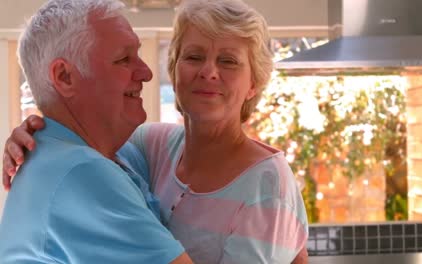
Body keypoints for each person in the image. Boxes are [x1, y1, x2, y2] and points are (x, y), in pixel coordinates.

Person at [2, 0, 309, 263]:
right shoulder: (150, 147)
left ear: (254, 84)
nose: (209, 72)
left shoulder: (267, 182)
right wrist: (36, 133)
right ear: (175, 70)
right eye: (193, 57)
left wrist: (48, 133)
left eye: (228, 61)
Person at [0, 0, 192, 263]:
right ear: (65, 77)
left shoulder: (113, 154)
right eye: (124, 59)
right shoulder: (80, 170)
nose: (146, 73)